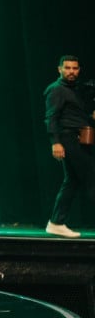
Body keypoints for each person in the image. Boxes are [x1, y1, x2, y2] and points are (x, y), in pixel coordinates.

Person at [44, 55, 95, 238]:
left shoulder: (76, 90)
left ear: (79, 70)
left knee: (72, 181)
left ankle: (56, 222)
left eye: (75, 68)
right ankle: (56, 222)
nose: (71, 72)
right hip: (68, 139)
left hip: (79, 138)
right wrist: (55, 142)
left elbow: (75, 115)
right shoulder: (56, 90)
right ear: (60, 69)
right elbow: (51, 118)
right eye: (67, 68)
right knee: (91, 177)